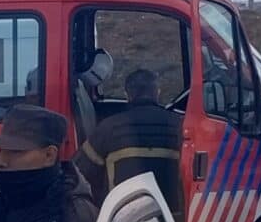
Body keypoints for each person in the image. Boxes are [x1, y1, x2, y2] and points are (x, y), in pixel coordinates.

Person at [77, 68, 184, 203]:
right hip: (171, 218)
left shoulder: (109, 127)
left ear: (127, 95)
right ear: (157, 93)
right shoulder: (180, 126)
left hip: (123, 218)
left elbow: (79, 172)